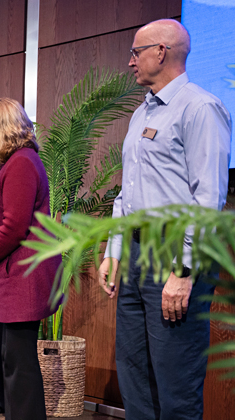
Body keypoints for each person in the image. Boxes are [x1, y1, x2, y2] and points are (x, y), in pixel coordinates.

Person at [97, 19, 231, 420]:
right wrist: (114, 252)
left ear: (161, 52)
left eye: (136, 52)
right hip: (137, 256)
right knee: (135, 379)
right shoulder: (141, 114)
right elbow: (128, 193)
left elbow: (207, 200)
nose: (130, 62)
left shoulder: (201, 108)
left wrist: (184, 271)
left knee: (175, 386)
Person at [0, 98, 59, 420]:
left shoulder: (21, 162)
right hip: (14, 277)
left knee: (19, 365)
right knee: (13, 360)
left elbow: (14, 225)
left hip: (25, 277)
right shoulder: (7, 163)